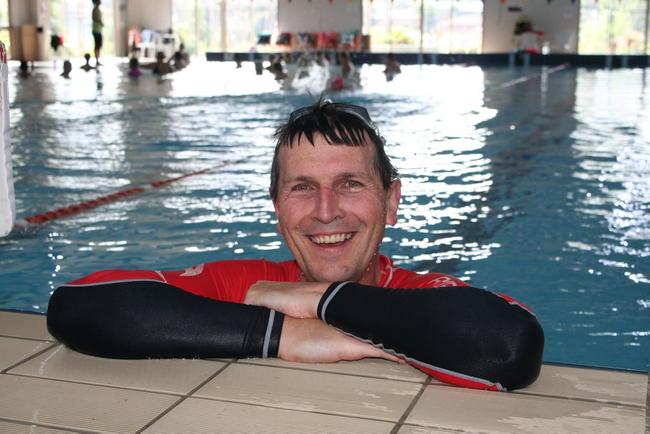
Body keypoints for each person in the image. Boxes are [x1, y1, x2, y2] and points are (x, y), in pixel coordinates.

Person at [47, 99, 544, 391]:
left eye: (350, 183)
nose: (326, 211)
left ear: (391, 201)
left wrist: (320, 300)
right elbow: (79, 307)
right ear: (277, 206)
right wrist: (280, 334)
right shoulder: (248, 285)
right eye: (302, 187)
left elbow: (509, 346)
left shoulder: (423, 294)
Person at [91, 0, 103, 67]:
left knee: (99, 45)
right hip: (96, 30)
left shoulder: (97, 9)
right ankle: (97, 60)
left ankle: (97, 60)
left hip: (98, 30)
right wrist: (100, 22)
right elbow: (94, 18)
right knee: (97, 45)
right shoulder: (95, 10)